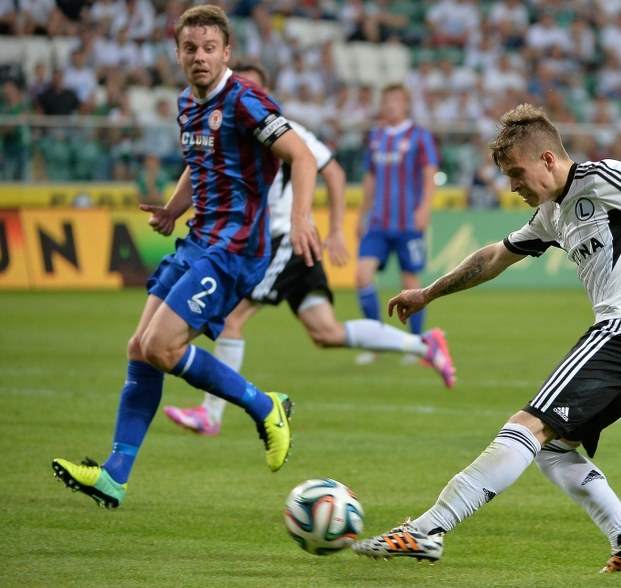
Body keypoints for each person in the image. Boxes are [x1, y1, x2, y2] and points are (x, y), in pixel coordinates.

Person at [352, 104, 621, 571]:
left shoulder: (606, 179)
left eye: (517, 173)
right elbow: (494, 257)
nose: (514, 185)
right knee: (554, 449)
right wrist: (428, 292)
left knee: (526, 426)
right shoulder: (550, 214)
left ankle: (427, 530)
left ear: (546, 159)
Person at [51, 5, 322, 509]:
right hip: (200, 240)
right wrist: (175, 210)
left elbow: (301, 156)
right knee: (139, 347)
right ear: (177, 53)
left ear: (227, 53)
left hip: (235, 249)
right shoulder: (187, 103)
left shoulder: (244, 99)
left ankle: (266, 406)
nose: (200, 57)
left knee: (161, 346)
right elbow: (199, 161)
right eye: (190, 48)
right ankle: (113, 476)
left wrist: (303, 217)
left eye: (209, 48)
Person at [162, 62, 455, 436]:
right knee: (326, 333)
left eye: (251, 84)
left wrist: (334, 230)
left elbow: (331, 171)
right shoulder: (228, 131)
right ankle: (423, 345)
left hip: (284, 241)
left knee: (232, 318)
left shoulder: (285, 130)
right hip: (277, 244)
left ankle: (211, 415)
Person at [354, 82, 439, 365]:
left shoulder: (419, 136)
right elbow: (369, 178)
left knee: (410, 283)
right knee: (362, 274)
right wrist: (360, 215)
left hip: (407, 222)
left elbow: (429, 174)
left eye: (395, 100)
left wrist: (425, 208)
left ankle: (418, 344)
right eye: (386, 100)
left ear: (405, 104)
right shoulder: (377, 136)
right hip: (378, 221)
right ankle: (375, 342)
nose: (389, 104)